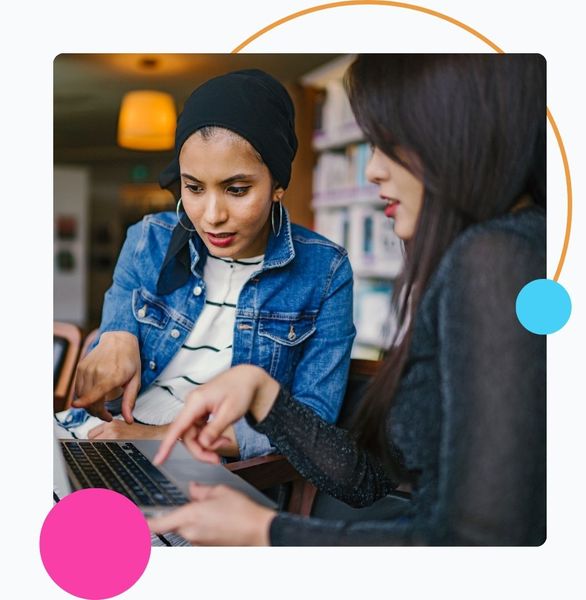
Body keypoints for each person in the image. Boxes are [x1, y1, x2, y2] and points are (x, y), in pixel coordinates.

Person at [148, 54, 546, 545]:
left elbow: (480, 549)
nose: (374, 169)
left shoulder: (497, 258)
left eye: (390, 143)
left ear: (459, 132)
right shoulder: (497, 254)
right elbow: (365, 483)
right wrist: (261, 392)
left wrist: (264, 533)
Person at [64, 69, 356, 460]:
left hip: (208, 469)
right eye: (194, 188)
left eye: (237, 190)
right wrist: (116, 334)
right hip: (110, 436)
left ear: (278, 186)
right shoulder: (149, 237)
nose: (211, 216)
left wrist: (159, 436)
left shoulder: (326, 271)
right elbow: (116, 327)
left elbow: (310, 425)